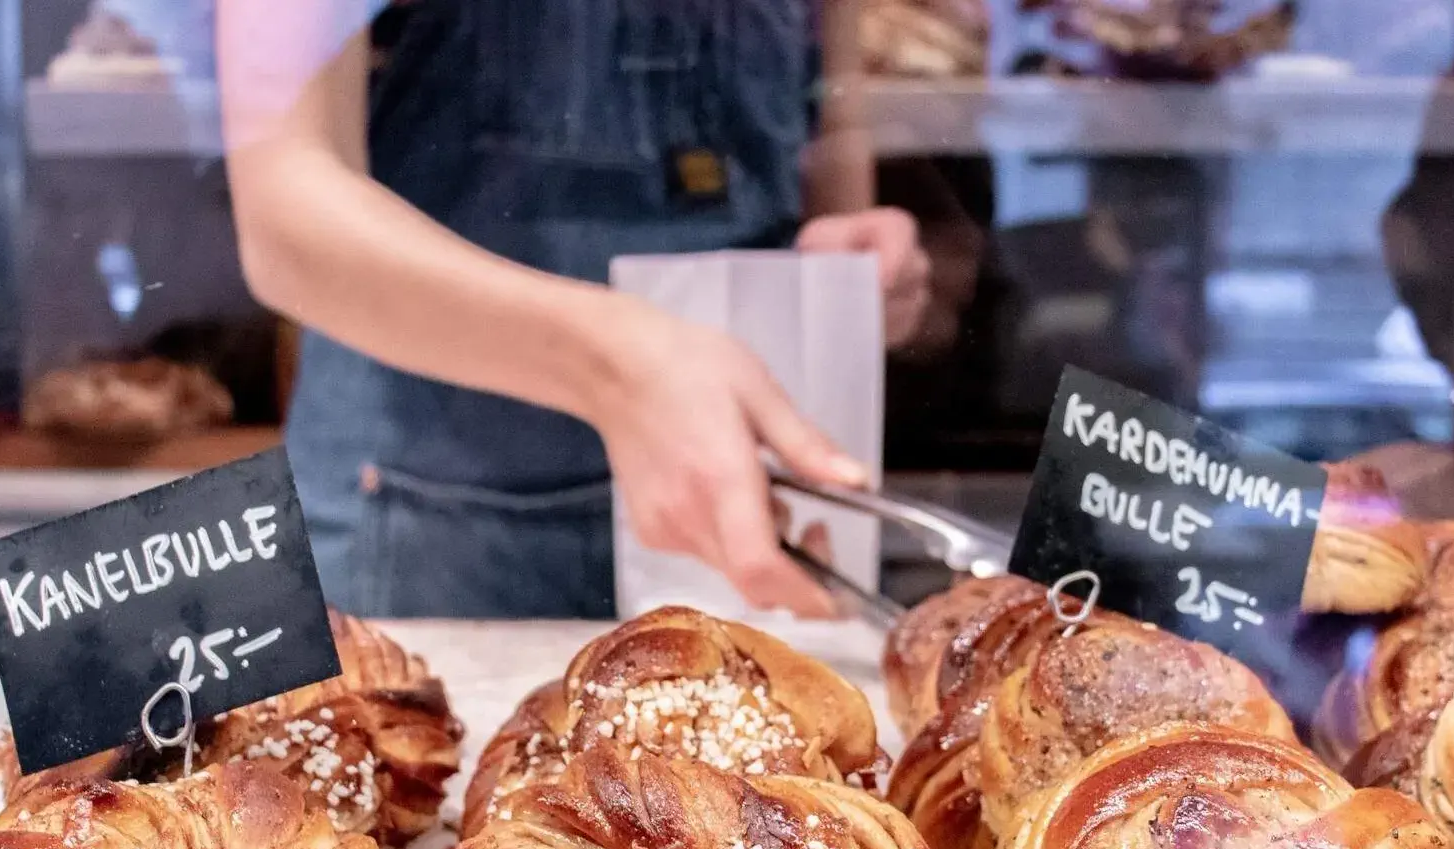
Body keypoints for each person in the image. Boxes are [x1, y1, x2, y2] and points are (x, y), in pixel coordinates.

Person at [216, 1, 933, 619]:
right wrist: (615, 369)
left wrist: (849, 272)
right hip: (428, 523)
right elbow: (284, 217)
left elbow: (832, 130)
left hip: (744, 505)